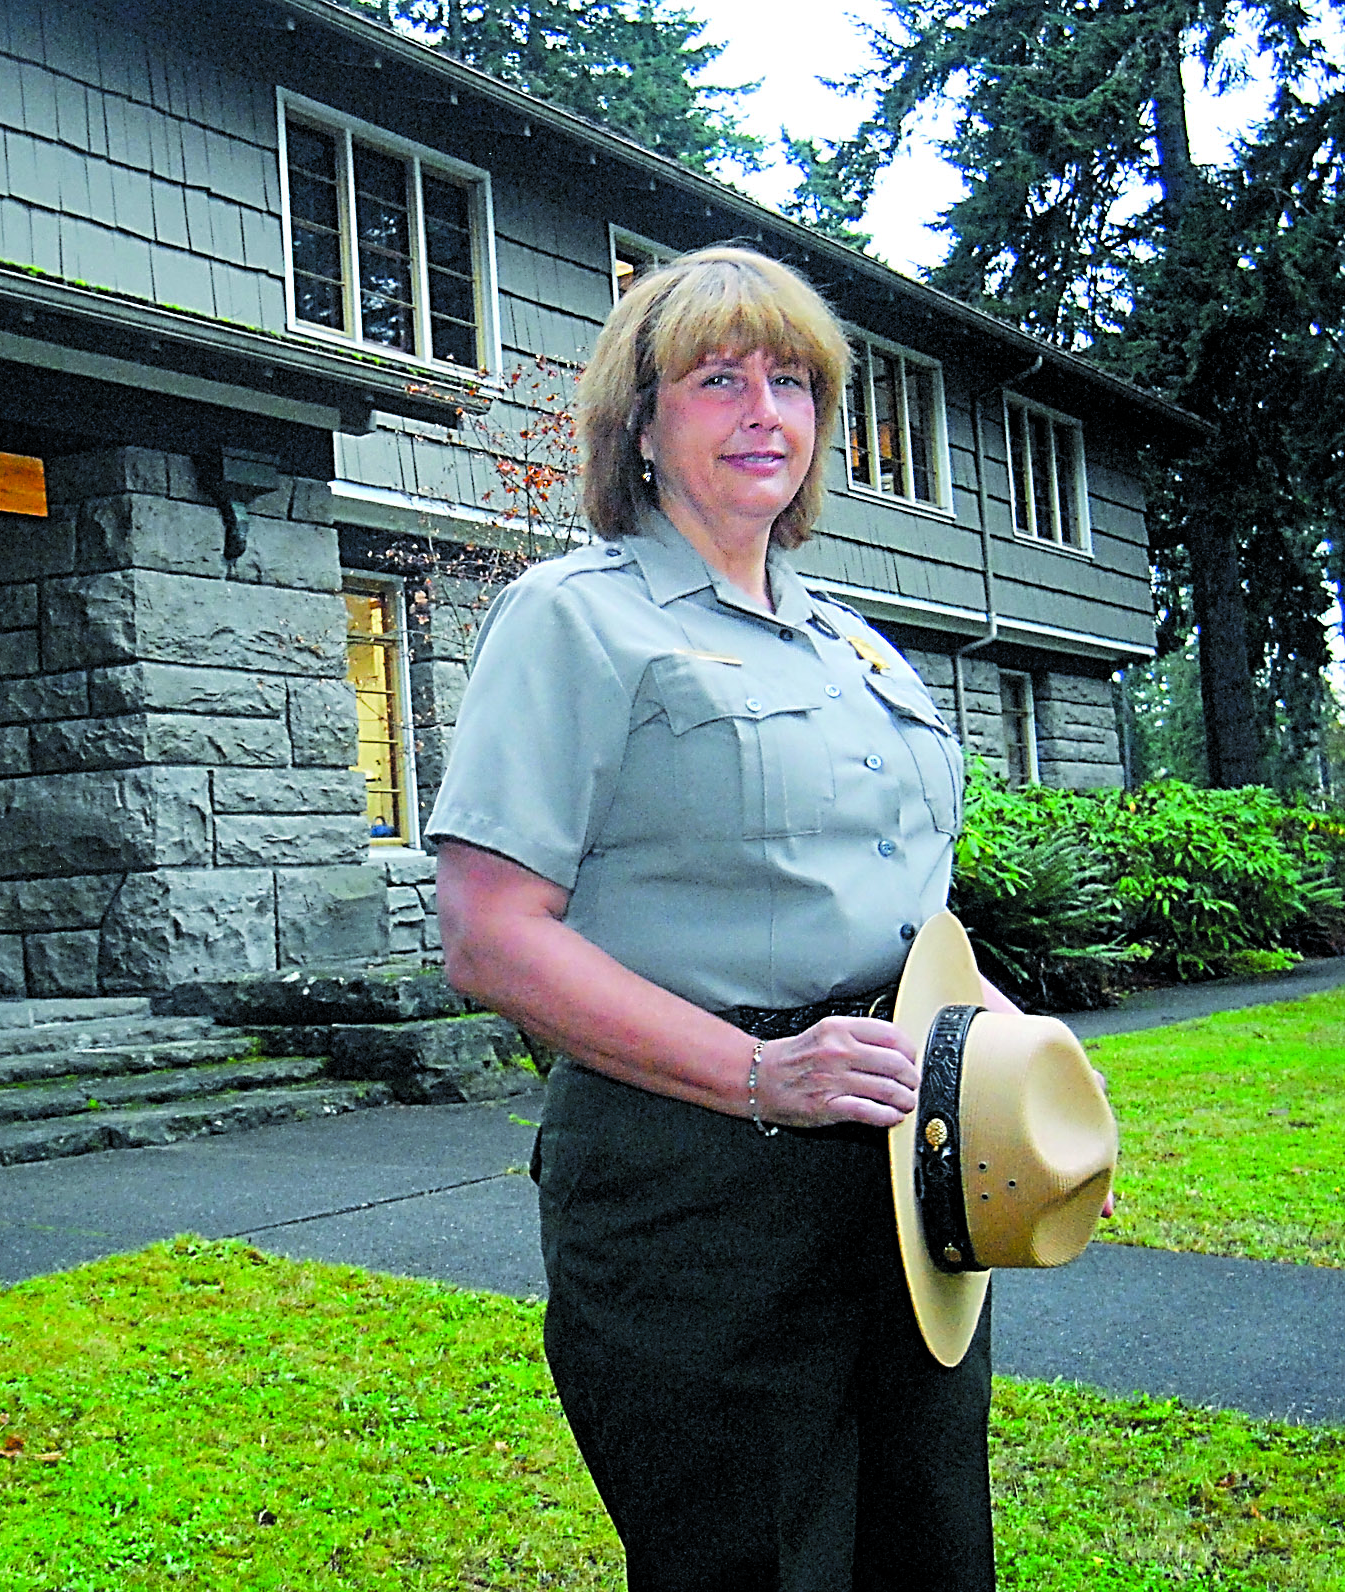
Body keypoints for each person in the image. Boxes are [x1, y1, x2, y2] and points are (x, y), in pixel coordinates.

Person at [427, 245, 1003, 1591]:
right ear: (637, 423)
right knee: (753, 1559)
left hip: (907, 1161)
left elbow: (901, 898)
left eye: (793, 381)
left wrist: (995, 1048)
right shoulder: (575, 623)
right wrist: (758, 1072)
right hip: (693, 1177)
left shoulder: (856, 647)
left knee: (930, 1544)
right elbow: (490, 932)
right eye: (717, 381)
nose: (765, 413)